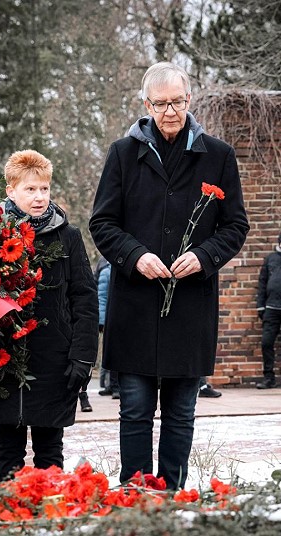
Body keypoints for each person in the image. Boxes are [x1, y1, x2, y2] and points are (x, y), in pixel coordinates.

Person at [90, 62, 249, 490]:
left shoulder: (218, 156)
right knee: (136, 410)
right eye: (160, 104)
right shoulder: (123, 153)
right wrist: (135, 256)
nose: (170, 111)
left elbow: (235, 226)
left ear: (189, 101)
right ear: (146, 106)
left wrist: (204, 256)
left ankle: (173, 491)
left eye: (177, 102)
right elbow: (102, 223)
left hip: (190, 305)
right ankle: (137, 493)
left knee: (181, 412)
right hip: (136, 305)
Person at [0, 149, 98, 481]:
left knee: (50, 449)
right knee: (8, 449)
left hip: (54, 360)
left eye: (44, 189)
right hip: (3, 361)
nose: (39, 197)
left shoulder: (68, 237)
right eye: (30, 189)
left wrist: (83, 356)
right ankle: (10, 513)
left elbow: (84, 300)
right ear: (11, 191)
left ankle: (51, 511)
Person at [255, 231, 281, 389]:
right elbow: (262, 283)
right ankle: (269, 378)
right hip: (271, 308)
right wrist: (260, 306)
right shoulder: (271, 258)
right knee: (266, 343)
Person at [95, 258, 120, 399]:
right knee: (112, 353)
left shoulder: (107, 269)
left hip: (115, 318)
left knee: (112, 352)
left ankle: (111, 386)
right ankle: (113, 386)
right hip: (110, 319)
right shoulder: (107, 271)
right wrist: (102, 321)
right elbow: (102, 297)